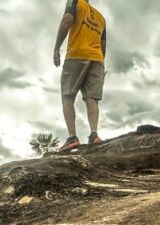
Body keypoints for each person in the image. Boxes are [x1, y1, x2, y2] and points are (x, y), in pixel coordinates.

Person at [54, 0, 107, 152]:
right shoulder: (101, 17)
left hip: (77, 54)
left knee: (67, 96)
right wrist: (101, 63)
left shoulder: (74, 1)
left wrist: (57, 48)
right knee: (92, 99)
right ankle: (94, 135)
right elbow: (103, 44)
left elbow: (67, 20)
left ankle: (72, 137)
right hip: (97, 58)